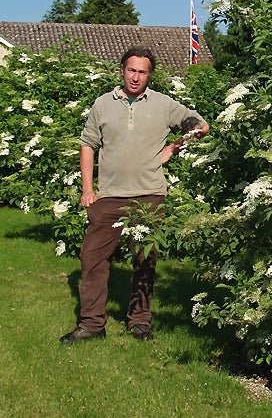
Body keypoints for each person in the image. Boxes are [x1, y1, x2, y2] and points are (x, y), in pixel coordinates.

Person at [60, 47, 209, 344]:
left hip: (150, 196)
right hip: (109, 197)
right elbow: (88, 145)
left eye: (142, 72)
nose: (135, 77)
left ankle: (139, 321)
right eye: (131, 70)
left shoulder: (163, 104)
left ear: (149, 75)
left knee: (144, 260)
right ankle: (91, 324)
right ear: (122, 70)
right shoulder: (102, 104)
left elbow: (201, 125)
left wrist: (174, 147)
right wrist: (88, 190)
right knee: (92, 260)